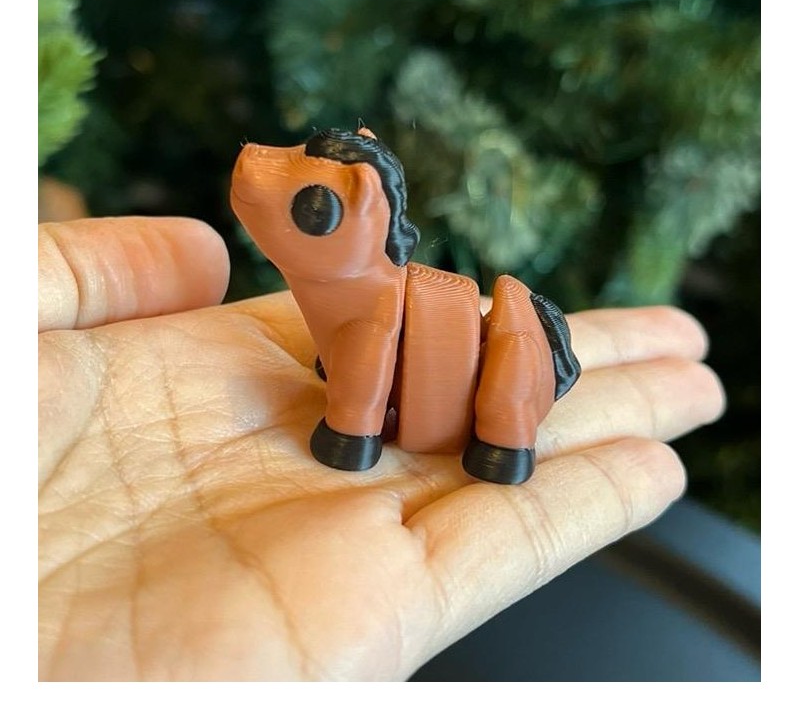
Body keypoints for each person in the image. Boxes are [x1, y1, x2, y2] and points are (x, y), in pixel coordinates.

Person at [38, 215, 725, 681]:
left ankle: (492, 442)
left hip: (476, 397)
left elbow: (364, 381)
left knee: (396, 380)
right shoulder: (352, 301)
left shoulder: (373, 313)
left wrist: (353, 422)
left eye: (315, 210)